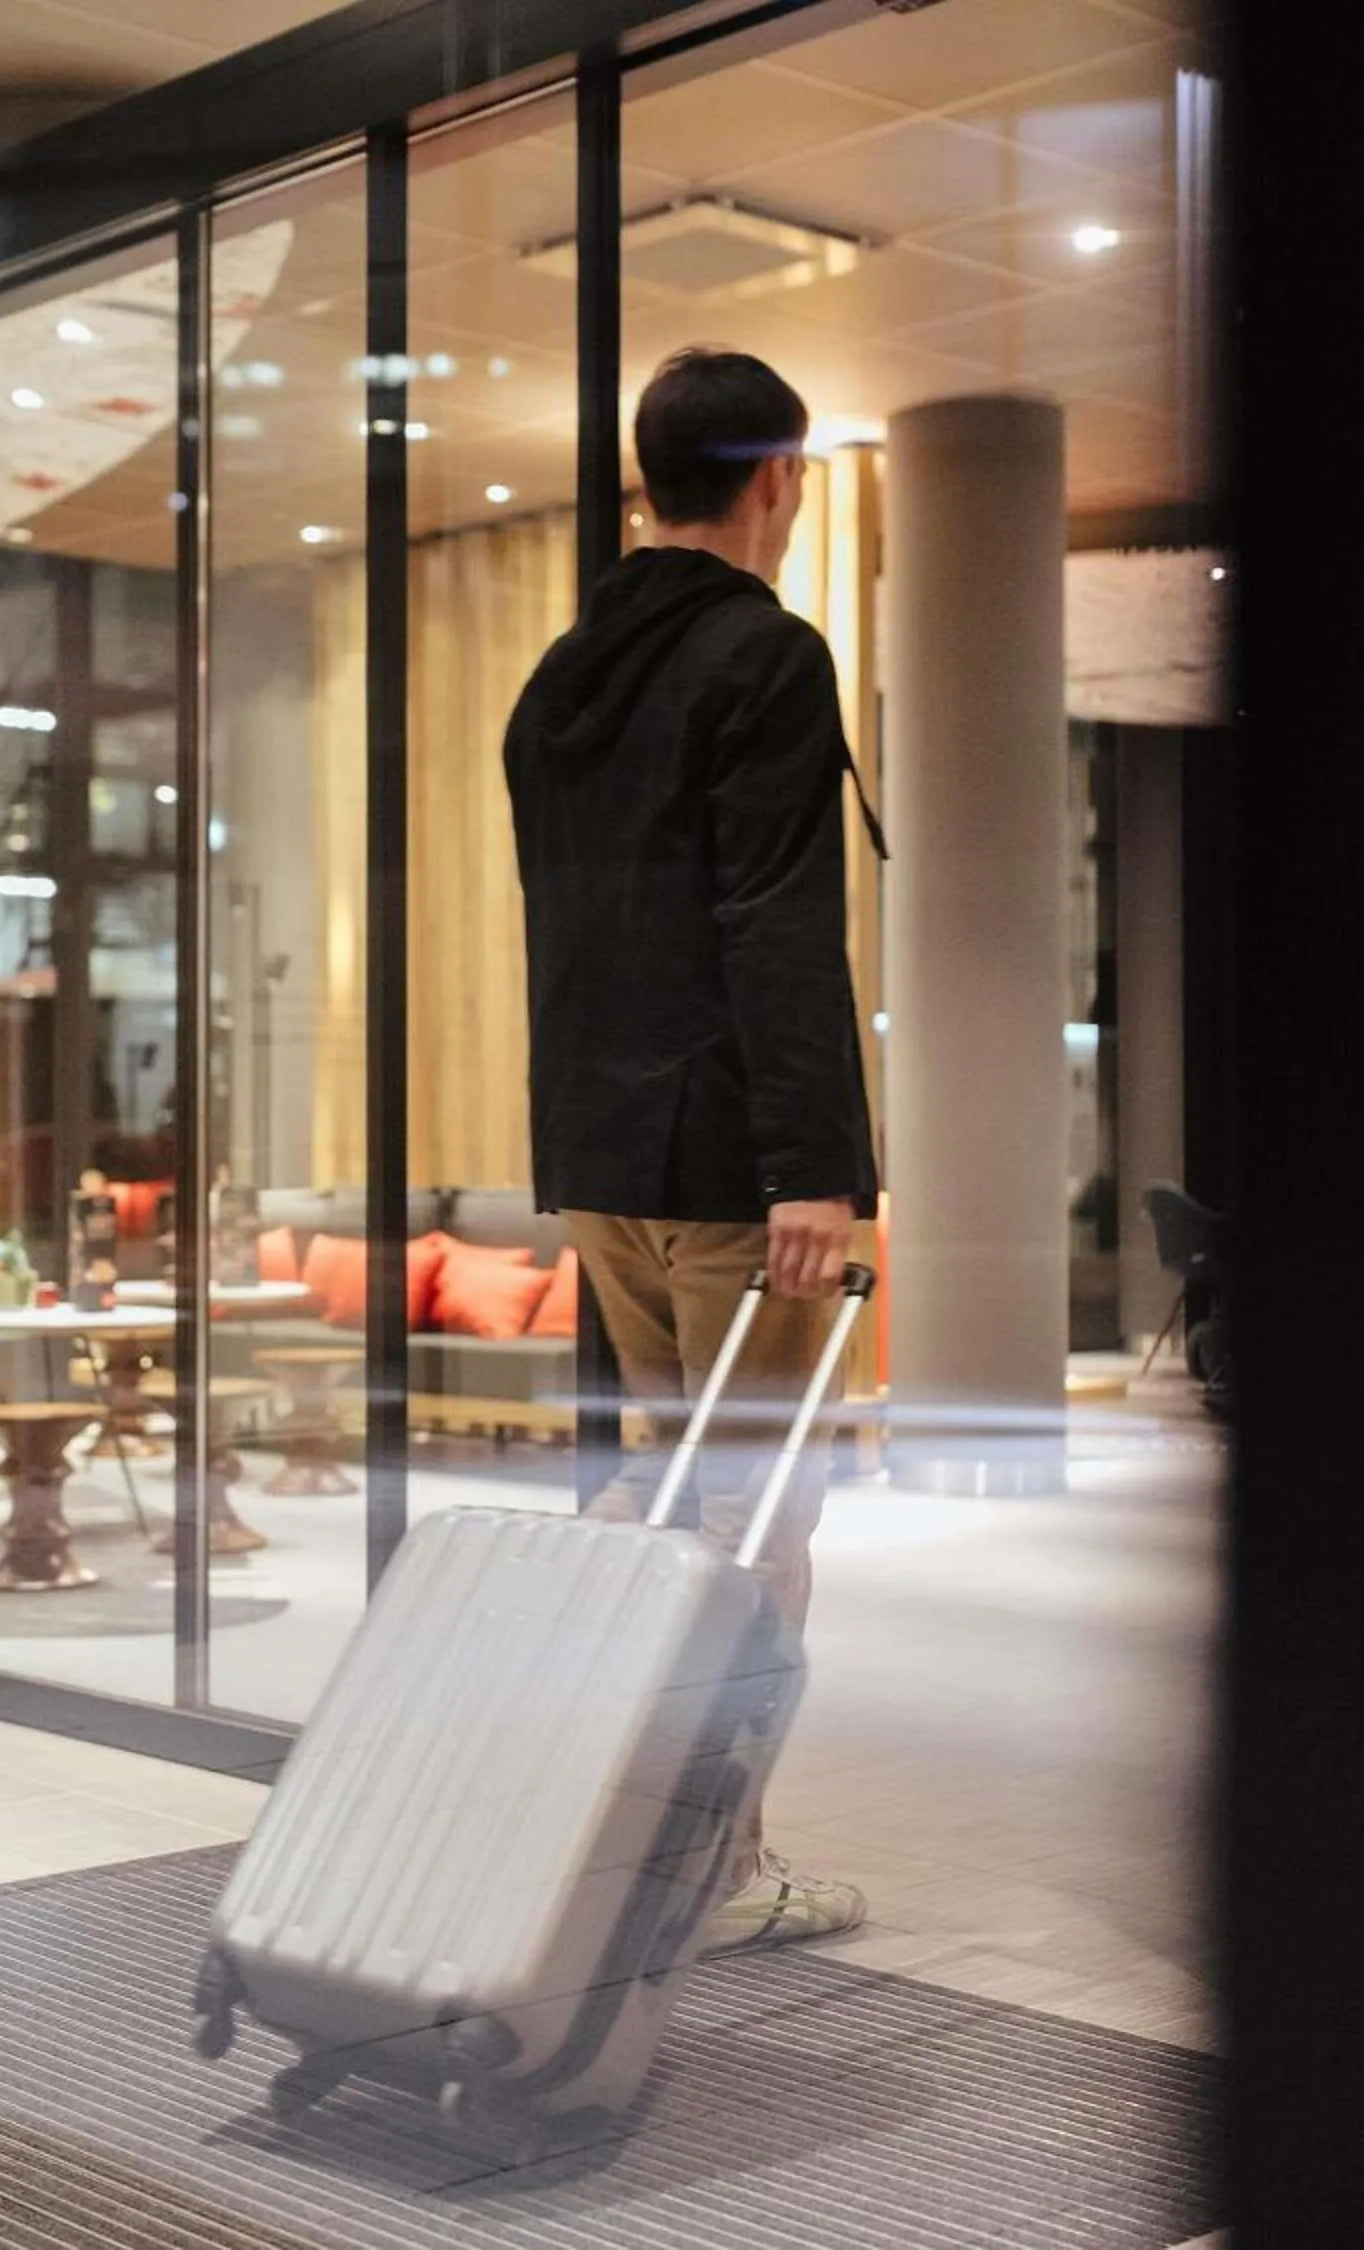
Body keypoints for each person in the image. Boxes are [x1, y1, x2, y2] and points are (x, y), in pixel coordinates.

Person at [501, 345, 882, 1954]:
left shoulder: (563, 675)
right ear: (779, 479)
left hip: (600, 1165)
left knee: (676, 1514)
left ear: (650, 481)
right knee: (756, 1538)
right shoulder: (765, 656)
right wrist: (816, 1165)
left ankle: (605, 1850)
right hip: (733, 1169)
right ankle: (706, 1873)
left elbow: (578, 931)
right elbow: (775, 922)